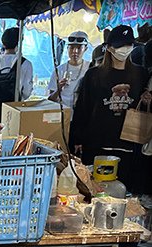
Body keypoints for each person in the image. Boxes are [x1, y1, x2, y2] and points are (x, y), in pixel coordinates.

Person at [71, 25, 152, 195]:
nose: (125, 49)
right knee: (96, 192)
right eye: (120, 45)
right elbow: (82, 108)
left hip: (128, 145)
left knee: (122, 192)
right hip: (98, 144)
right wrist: (77, 138)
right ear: (109, 47)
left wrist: (147, 100)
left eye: (129, 45)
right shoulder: (94, 75)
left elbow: (144, 106)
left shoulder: (140, 74)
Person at [0, 27, 33, 123]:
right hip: (15, 110)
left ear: (3, 43)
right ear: (19, 43)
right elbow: (27, 92)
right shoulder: (25, 64)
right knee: (14, 137)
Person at [48, 31, 90, 111]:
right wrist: (59, 89)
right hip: (62, 115)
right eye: (72, 47)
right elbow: (50, 100)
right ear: (67, 48)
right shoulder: (59, 70)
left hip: (83, 115)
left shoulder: (90, 69)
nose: (75, 51)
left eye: (79, 47)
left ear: (85, 49)